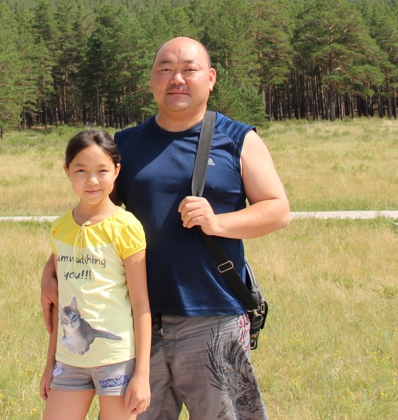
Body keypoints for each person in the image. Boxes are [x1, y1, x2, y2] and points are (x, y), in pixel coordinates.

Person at [42, 36, 291, 420]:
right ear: (152, 81)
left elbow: (278, 210)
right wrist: (50, 270)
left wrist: (218, 222)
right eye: (165, 70)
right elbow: (95, 216)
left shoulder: (238, 139)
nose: (177, 78)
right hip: (138, 324)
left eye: (189, 69)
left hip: (214, 316)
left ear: (210, 78)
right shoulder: (126, 145)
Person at [41, 130, 151, 420]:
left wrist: (142, 374)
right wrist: (49, 363)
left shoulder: (126, 227)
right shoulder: (60, 227)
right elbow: (60, 304)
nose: (91, 181)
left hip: (117, 363)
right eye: (80, 170)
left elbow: (141, 304)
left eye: (102, 170)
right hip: (69, 362)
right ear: (66, 171)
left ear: (116, 171)